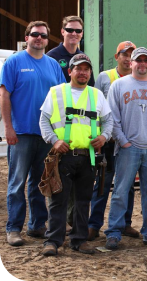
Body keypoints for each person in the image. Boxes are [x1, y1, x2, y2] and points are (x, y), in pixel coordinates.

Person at [39, 53, 113, 256]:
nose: (83, 72)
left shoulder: (96, 94)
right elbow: (44, 120)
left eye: (86, 69)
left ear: (90, 72)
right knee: (58, 199)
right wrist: (55, 140)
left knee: (83, 201)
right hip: (63, 156)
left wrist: (104, 137)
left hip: (87, 157)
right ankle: (53, 240)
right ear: (70, 71)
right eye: (78, 68)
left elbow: (108, 121)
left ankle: (79, 241)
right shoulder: (56, 92)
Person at [0, 21, 66, 247]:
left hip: (46, 136)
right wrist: (8, 128)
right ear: (26, 37)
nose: (39, 39)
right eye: (35, 35)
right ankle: (14, 228)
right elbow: (5, 95)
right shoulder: (14, 62)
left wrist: (59, 133)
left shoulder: (53, 65)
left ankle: (38, 225)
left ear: (48, 40)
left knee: (41, 182)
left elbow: (61, 99)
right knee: (17, 182)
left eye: (43, 36)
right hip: (21, 134)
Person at [105, 47, 147, 250]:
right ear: (131, 63)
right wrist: (123, 141)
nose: (142, 64)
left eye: (145, 61)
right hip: (128, 148)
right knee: (120, 191)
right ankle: (114, 232)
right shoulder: (118, 85)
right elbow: (112, 118)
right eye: (138, 60)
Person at [87, 41, 139, 241]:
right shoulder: (104, 77)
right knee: (102, 183)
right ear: (116, 57)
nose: (127, 59)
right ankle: (94, 225)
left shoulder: (142, 78)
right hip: (108, 142)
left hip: (129, 142)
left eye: (131, 55)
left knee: (127, 185)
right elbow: (94, 106)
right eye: (124, 55)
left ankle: (125, 224)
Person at [47, 15, 95, 86]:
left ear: (82, 33)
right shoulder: (51, 57)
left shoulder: (84, 58)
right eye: (70, 30)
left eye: (78, 31)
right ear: (62, 31)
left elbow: (90, 85)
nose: (74, 34)